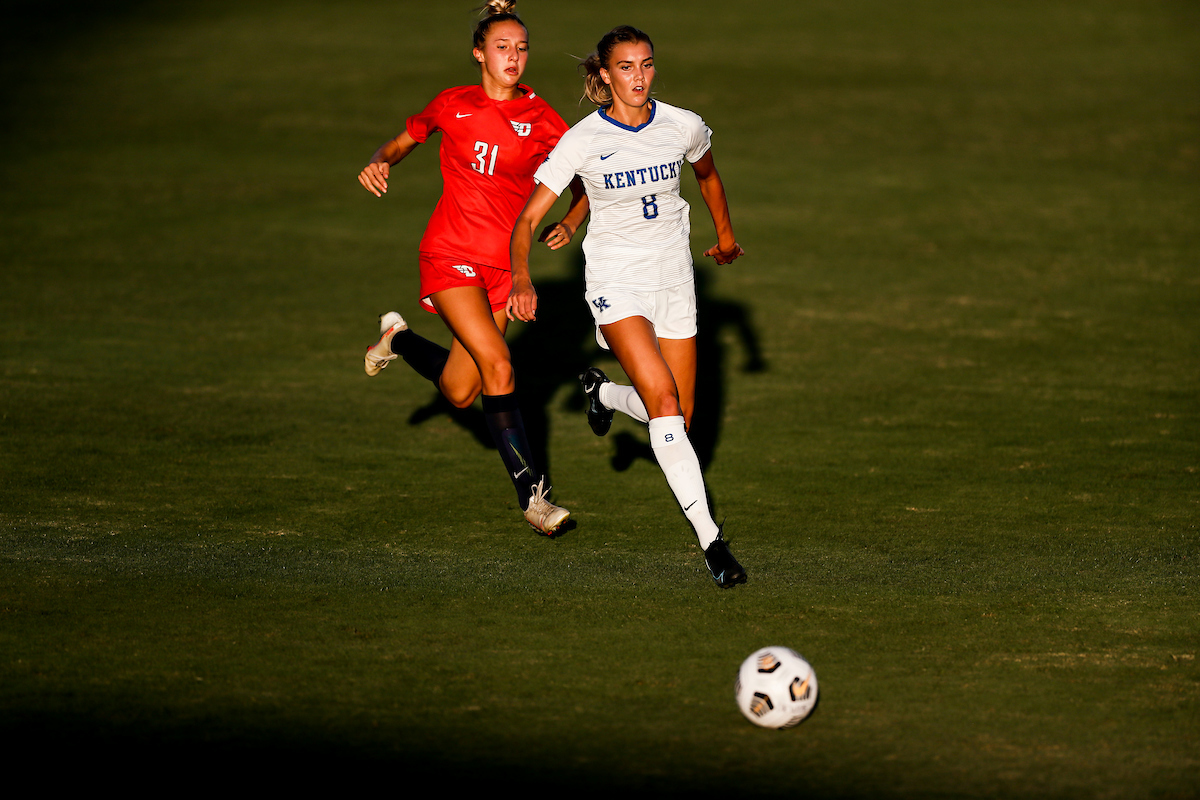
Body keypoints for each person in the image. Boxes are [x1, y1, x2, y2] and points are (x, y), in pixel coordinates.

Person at [509, 25, 748, 587]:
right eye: (625, 67)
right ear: (605, 74)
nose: (638, 77)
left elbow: (708, 177)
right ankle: (712, 541)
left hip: (675, 281)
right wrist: (521, 276)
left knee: (678, 418)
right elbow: (527, 218)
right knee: (663, 400)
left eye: (646, 65)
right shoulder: (583, 140)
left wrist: (726, 237)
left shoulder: (683, 125)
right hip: (616, 283)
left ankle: (603, 394)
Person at [358, 0, 588, 535]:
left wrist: (572, 220)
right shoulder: (452, 103)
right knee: (500, 365)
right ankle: (534, 497)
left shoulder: (543, 118)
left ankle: (397, 339)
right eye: (502, 47)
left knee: (462, 391)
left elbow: (584, 182)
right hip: (449, 254)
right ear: (479, 53)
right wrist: (379, 161)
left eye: (521, 48)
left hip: (503, 269)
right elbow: (400, 143)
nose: (513, 57)